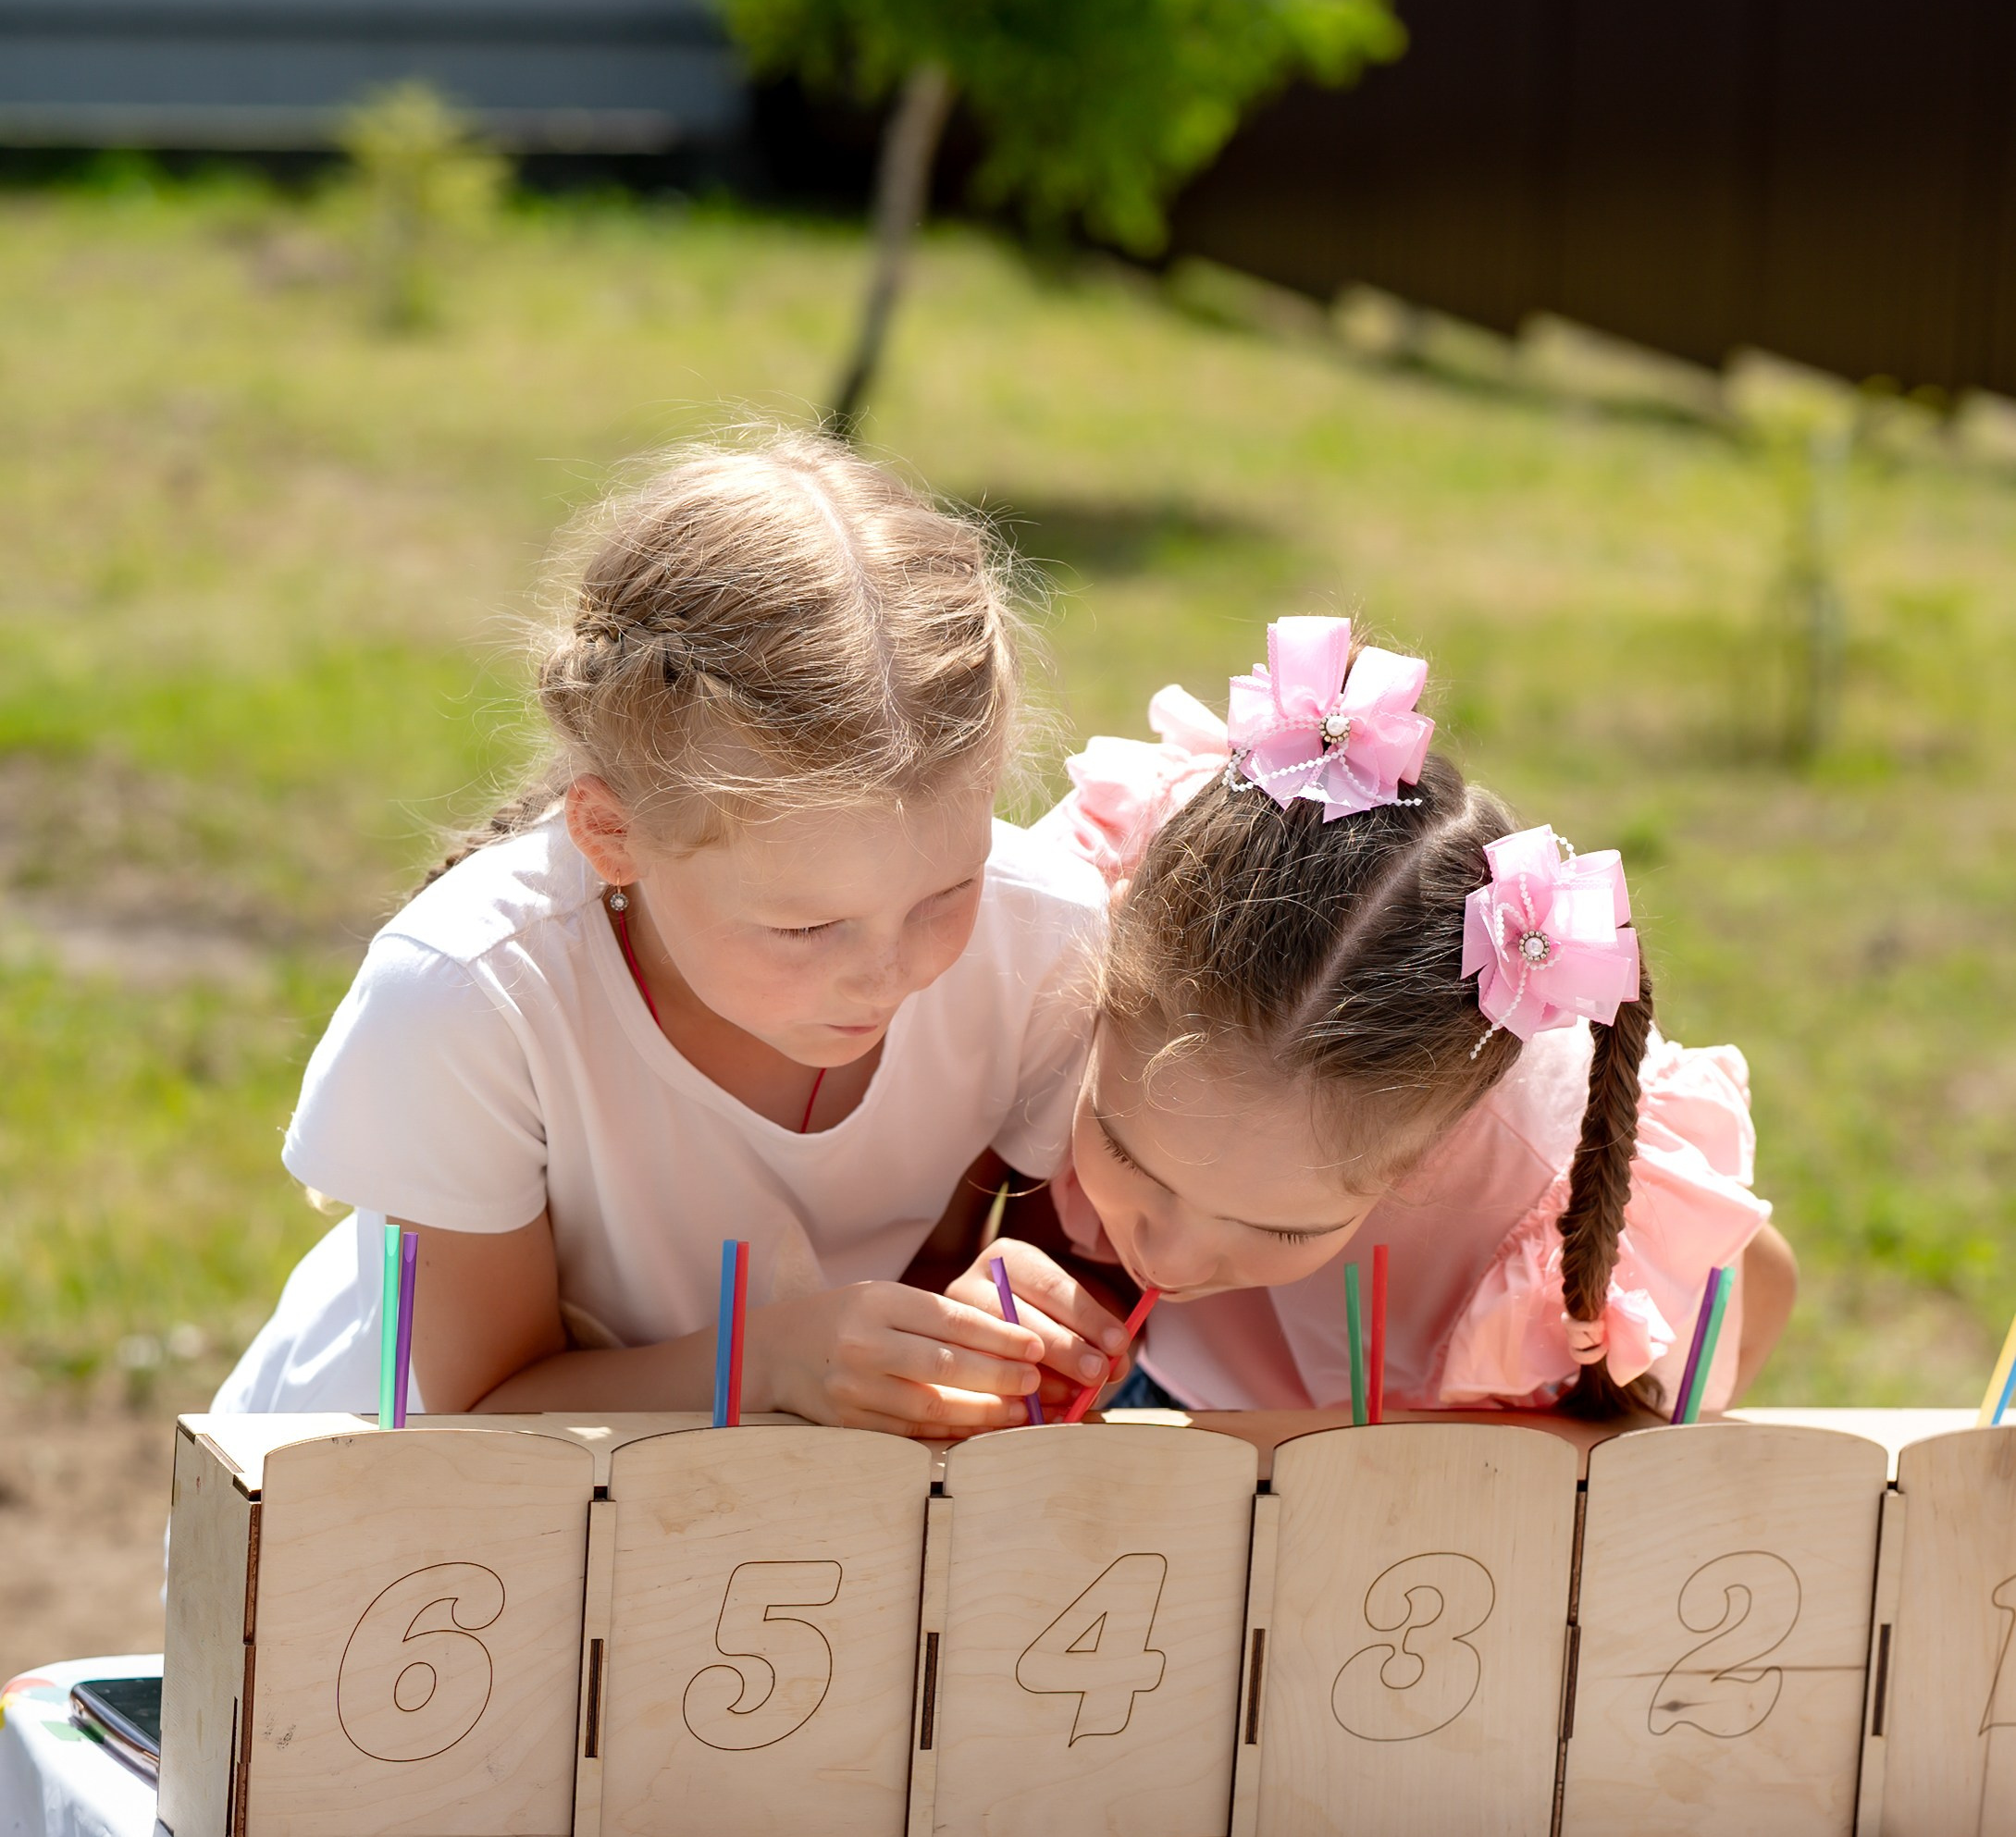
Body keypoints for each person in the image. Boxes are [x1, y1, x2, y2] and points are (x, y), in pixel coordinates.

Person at [213, 432, 1130, 1436]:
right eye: (803, 924)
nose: (886, 974)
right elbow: (479, 1406)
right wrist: (772, 1356)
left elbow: (1021, 1294)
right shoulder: (471, 996)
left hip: (777, 1533)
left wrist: (1008, 1328)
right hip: (393, 1519)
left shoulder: (1046, 940)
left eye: (944, 894)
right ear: (613, 834)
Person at [1024, 616, 1794, 1418]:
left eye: (1277, 1228)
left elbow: (1758, 1288)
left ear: (1435, 1141)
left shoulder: (1537, 1169)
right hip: (1177, 1399)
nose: (1166, 1257)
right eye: (1122, 1150)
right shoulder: (1098, 902)